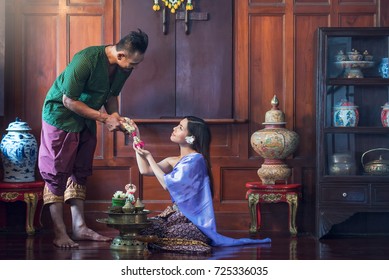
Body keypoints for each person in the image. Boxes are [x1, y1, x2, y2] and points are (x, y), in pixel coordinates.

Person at [38, 29, 149, 248]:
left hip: (87, 117)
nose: (135, 68)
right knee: (55, 173)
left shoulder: (123, 67)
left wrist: (115, 115)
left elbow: (111, 95)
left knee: (80, 170)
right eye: (134, 64)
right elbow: (68, 100)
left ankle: (79, 227)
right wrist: (104, 118)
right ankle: (60, 232)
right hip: (60, 116)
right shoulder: (86, 59)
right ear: (120, 56)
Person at [131, 116, 271, 254]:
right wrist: (136, 138)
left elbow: (168, 184)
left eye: (180, 127)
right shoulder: (173, 160)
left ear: (191, 138)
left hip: (193, 221)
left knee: (169, 233)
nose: (174, 128)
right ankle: (152, 241)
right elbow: (145, 170)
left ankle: (166, 242)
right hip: (174, 214)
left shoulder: (196, 160)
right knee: (142, 228)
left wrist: (149, 157)